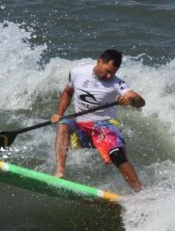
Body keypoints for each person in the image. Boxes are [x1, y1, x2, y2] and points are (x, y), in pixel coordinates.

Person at [50, 49, 146, 192]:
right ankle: (59, 173)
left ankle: (140, 191)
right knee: (63, 124)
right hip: (81, 124)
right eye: (107, 71)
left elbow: (140, 102)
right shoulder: (77, 72)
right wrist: (59, 113)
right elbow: (68, 92)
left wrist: (131, 99)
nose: (109, 76)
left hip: (104, 124)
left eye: (113, 73)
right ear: (99, 61)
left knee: (116, 154)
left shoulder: (117, 83)